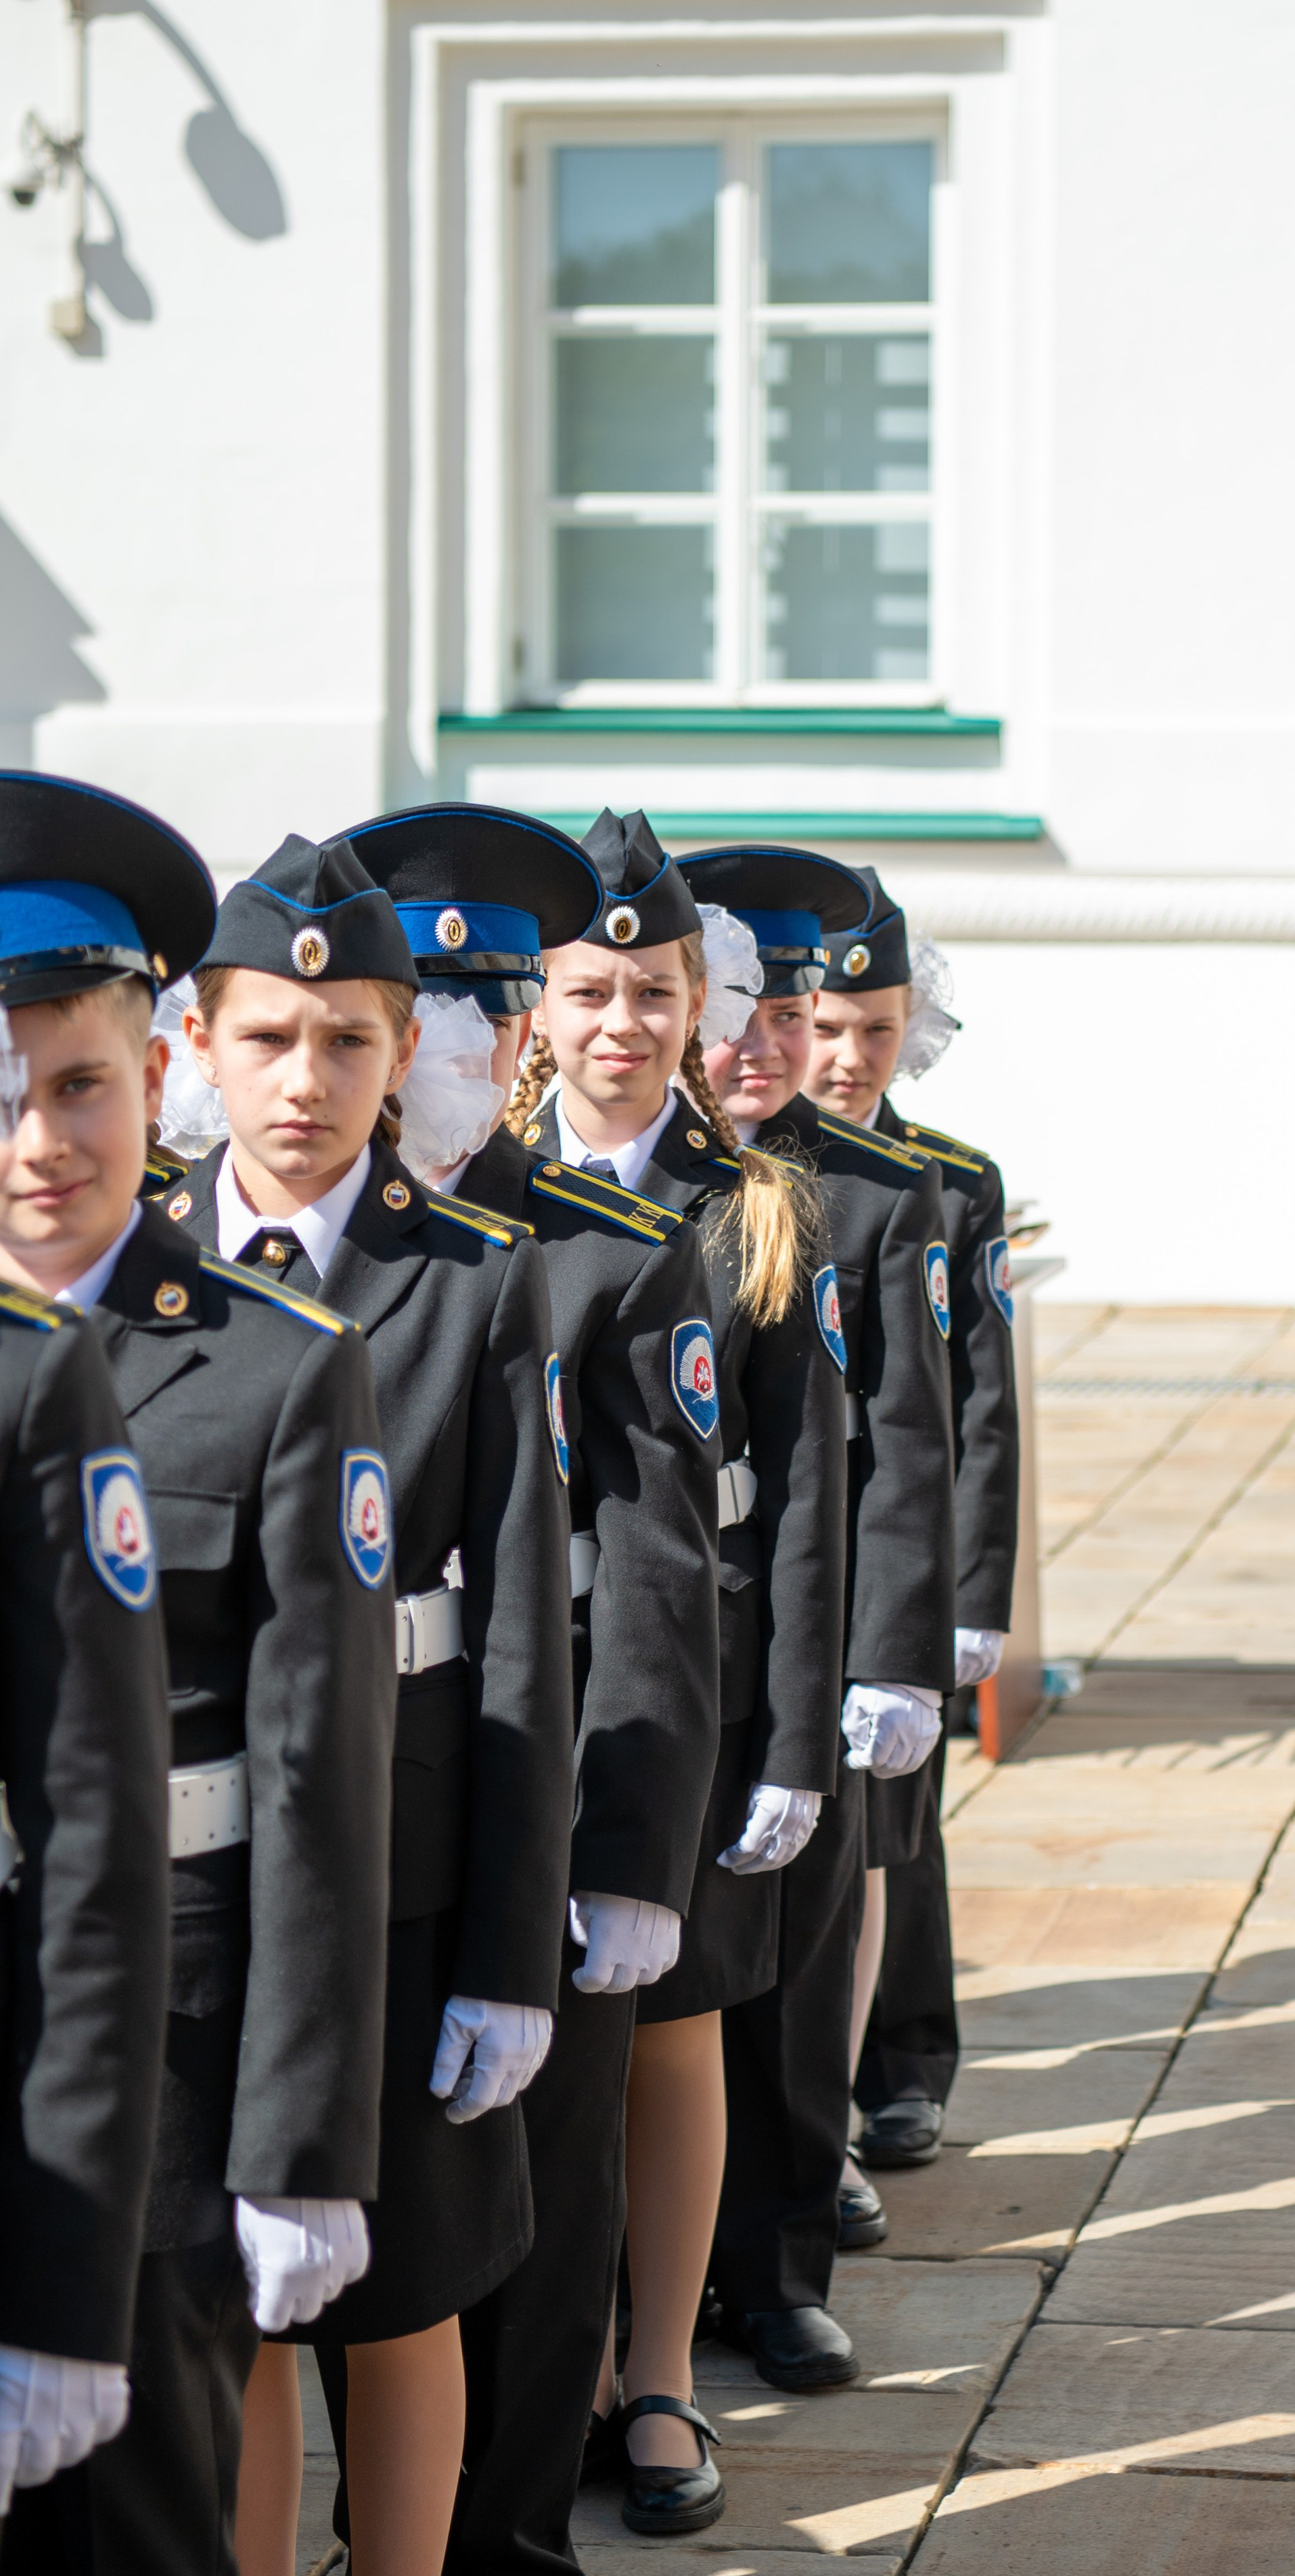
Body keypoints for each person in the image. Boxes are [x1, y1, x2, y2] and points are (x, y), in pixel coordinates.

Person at [0, 775, 396, 2576]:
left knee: (144, 2516)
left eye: (78, 1082)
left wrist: (302, 2131)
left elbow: (323, 1766)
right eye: (2, 1087)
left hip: (165, 2038)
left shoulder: (277, 1364)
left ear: (152, 1075)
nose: (36, 1138)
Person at [165, 832, 572, 2576]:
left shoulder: (472, 1286)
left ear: (409, 1050)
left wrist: (505, 1954)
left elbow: (530, 1654)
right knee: (224, 2299)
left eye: (350, 1039)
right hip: (202, 1888)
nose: (308, 1078)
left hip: (405, 1873)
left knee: (399, 2295)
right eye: (270, 1038)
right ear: (198, 1043)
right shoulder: (125, 1278)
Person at [340, 803, 727, 2564]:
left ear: (507, 1039)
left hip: (540, 1784)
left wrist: (639, 1851)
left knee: (544, 2192)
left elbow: (657, 1571)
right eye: (393, 1011)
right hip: (340, 1806)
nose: (424, 1052)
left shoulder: (603, 1248)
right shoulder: (274, 1247)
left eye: (461, 1016)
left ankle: (506, 2533)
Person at [535, 812, 852, 2520]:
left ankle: (658, 2377)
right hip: (527, 1687)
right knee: (538, 2050)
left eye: (651, 991)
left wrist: (798, 1734)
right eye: (588, 990)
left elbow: (806, 1499)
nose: (623, 1023)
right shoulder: (478, 1193)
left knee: (671, 2034)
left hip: (695, 1693)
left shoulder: (756, 1209)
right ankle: (560, 2363)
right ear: (536, 1007)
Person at [674, 841, 955, 2395]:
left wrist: (895, 1655)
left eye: (793, 1009)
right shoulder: (631, 1187)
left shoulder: (877, 1193)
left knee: (794, 1964)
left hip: (818, 1631)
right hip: (673, 1631)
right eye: (745, 1007)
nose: (771, 1041)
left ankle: (774, 2267)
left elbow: (907, 1443)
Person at [804, 870, 1019, 2202]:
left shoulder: (951, 1182)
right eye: (825, 1025)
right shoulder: (752, 1169)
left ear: (910, 1032)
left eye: (873, 1031)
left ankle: (904, 2069)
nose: (844, 1056)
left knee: (901, 1829)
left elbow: (979, 1411)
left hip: (904, 1557)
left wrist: (972, 1593)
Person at [0, 996, 173, 2532]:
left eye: (76, 1087)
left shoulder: (32, 1381)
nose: (37, 1145)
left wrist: (61, 2292)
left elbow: (92, 1843)